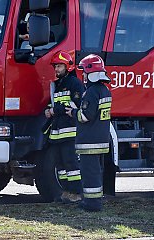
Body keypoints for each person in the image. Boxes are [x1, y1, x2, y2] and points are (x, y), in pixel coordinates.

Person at [65, 54, 112, 212]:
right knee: (96, 173)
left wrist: (73, 112)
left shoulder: (91, 92)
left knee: (89, 174)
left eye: (84, 72)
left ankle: (92, 205)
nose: (83, 76)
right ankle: (94, 202)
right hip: (101, 139)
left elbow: (85, 116)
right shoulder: (105, 90)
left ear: (91, 72)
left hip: (90, 142)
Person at [45, 51, 84, 203]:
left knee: (71, 164)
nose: (56, 69)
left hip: (70, 131)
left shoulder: (74, 83)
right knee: (60, 165)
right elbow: (54, 103)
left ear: (68, 66)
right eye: (55, 66)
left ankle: (76, 193)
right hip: (57, 132)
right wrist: (47, 110)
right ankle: (66, 192)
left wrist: (56, 110)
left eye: (59, 66)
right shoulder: (58, 85)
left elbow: (76, 104)